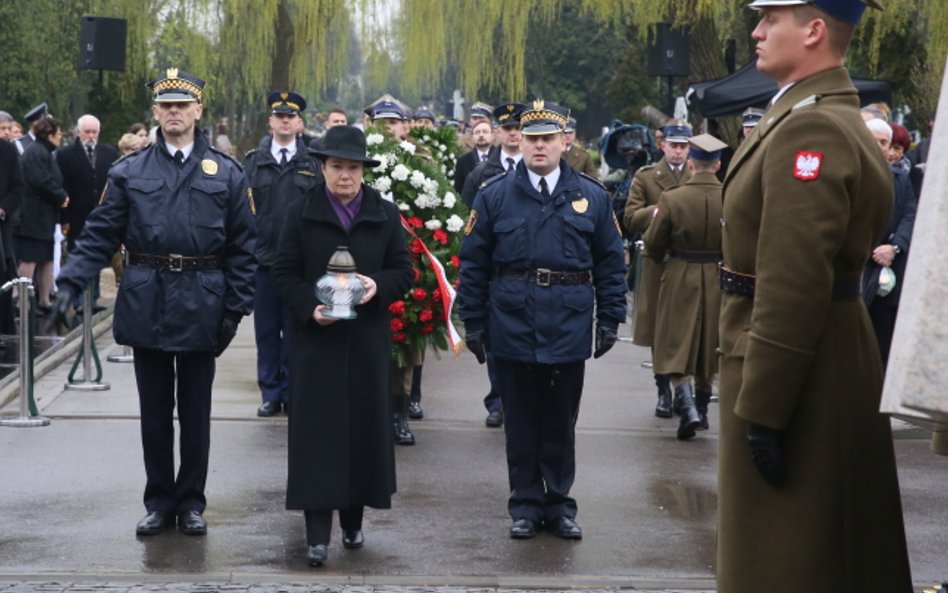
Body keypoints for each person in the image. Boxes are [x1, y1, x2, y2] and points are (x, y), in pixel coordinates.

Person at [717, 1, 913, 591]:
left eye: (770, 18)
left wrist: (766, 406)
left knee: (790, 557)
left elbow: (794, 278)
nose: (756, 31)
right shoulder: (811, 112)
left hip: (799, 364)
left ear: (814, 30)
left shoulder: (812, 126)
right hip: (816, 350)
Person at [54, 67, 257, 537]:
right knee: (153, 414)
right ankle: (159, 500)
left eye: (182, 106)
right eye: (166, 106)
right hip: (147, 297)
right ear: (156, 112)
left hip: (203, 301)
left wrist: (234, 310)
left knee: (196, 415)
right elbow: (100, 232)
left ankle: (191, 502)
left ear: (198, 111)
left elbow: (245, 248)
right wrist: (70, 282)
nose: (173, 113)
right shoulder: (129, 170)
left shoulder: (227, 173)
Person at [459, 100, 627, 540]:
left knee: (559, 420)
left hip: (568, 321)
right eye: (532, 139)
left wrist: (611, 317)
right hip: (512, 319)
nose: (539, 147)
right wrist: (473, 321)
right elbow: (473, 264)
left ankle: (559, 504)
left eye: (547, 139)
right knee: (520, 421)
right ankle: (526, 504)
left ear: (563, 142)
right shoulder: (494, 195)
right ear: (520, 140)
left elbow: (611, 263)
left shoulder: (591, 195)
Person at [270, 125, 412, 567]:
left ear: (363, 171)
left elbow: (403, 271)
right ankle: (316, 534)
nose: (345, 176)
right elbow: (284, 273)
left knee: (362, 433)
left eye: (352, 168)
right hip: (317, 345)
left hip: (367, 342)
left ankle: (353, 522)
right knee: (318, 436)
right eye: (336, 167)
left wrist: (377, 285)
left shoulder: (385, 214)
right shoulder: (300, 213)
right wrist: (310, 308)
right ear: (323, 168)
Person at [642, 134, 726, 439]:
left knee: (675, 343)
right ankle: (701, 409)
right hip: (718, 276)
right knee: (708, 343)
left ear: (691, 163)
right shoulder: (729, 196)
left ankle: (687, 404)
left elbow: (652, 244)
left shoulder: (672, 198)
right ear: (717, 165)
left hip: (679, 274)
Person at [244, 90, 323, 417]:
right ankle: (270, 392)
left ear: (300, 123)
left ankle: (294, 391)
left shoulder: (313, 162)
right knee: (266, 333)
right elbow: (243, 213)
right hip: (263, 263)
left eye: (291, 117)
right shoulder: (253, 162)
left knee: (297, 331)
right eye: (280, 116)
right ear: (270, 122)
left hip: (299, 266)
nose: (285, 121)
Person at [460, 101, 526, 428]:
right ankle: (498, 399)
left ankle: (523, 402)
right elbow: (467, 224)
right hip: (496, 271)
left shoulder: (540, 167)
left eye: (518, 128)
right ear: (498, 132)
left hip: (530, 268)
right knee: (498, 341)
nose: (513, 134)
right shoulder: (481, 174)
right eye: (508, 129)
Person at [624, 120, 692, 418]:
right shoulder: (648, 177)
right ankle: (663, 390)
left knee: (687, 326)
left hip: (689, 260)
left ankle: (685, 392)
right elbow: (629, 216)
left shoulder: (698, 174)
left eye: (683, 146)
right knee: (659, 329)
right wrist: (657, 212)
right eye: (673, 146)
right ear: (663, 145)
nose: (678, 152)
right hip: (658, 260)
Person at [862, 118, 917, 369]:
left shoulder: (900, 179)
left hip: (888, 268)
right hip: (857, 269)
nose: (881, 147)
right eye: (874, 141)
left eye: (884, 142)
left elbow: (910, 214)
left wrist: (894, 248)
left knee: (884, 339)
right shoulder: (849, 173)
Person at [56, 114, 119, 311]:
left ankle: (93, 299)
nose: (91, 136)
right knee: (78, 254)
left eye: (94, 132)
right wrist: (64, 218)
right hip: (76, 215)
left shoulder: (109, 153)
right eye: (87, 132)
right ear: (79, 133)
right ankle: (78, 300)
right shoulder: (65, 155)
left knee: (98, 256)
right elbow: (62, 186)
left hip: (101, 214)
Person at [15, 115, 69, 312]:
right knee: (30, 257)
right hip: (32, 217)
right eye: (58, 133)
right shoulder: (36, 152)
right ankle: (22, 301)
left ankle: (44, 300)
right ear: (50, 134)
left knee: (46, 257)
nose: (60, 137)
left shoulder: (44, 151)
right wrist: (61, 196)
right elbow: (41, 180)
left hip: (44, 216)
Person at [0, 117, 23, 333]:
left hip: (1, 225)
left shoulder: (7, 151)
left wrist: (3, 208)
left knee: (3, 273)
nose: (7, 132)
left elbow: (17, 186)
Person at [453, 120, 493, 194]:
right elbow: (458, 190)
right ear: (472, 137)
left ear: (492, 136)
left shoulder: (500, 156)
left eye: (485, 132)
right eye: (477, 132)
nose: (481, 135)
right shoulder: (462, 161)